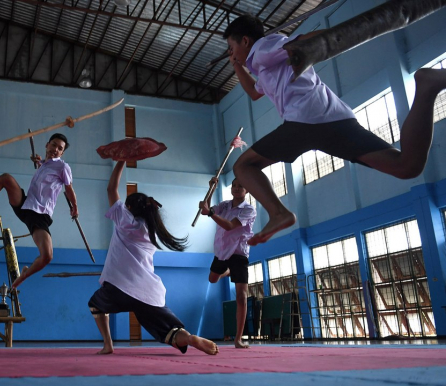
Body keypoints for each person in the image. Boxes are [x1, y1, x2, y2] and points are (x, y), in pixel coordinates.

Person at [224, 15, 446, 246]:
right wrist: (237, 65)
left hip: (305, 120)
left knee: (243, 165)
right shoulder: (265, 66)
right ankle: (427, 87)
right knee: (407, 166)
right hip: (331, 120)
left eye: (232, 47)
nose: (232, 53)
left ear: (246, 41)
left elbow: (302, 43)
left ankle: (279, 213)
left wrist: (336, 33)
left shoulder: (263, 48)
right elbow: (254, 92)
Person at [88, 160, 218, 356]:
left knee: (95, 304)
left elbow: (111, 188)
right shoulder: (151, 231)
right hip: (150, 293)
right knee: (170, 332)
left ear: (129, 207)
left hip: (119, 287)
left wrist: (122, 160)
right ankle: (190, 338)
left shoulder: (125, 221)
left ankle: (108, 345)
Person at [0, 133, 78, 288]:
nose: (55, 149)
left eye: (60, 148)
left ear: (62, 153)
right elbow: (43, 166)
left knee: (47, 256)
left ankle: (24, 275)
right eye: (54, 145)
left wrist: (75, 207)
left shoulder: (63, 167)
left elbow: (69, 189)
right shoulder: (44, 164)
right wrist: (38, 161)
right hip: (25, 205)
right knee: (6, 179)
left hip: (39, 215)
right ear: (47, 145)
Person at [199, 177, 256, 348]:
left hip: (238, 252)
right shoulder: (224, 205)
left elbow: (231, 226)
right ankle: (228, 272)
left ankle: (238, 339)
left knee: (241, 297)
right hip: (221, 251)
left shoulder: (249, 210)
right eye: (234, 186)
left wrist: (210, 213)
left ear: (247, 191)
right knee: (212, 279)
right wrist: (211, 189)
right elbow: (206, 210)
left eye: (241, 186)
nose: (237, 188)